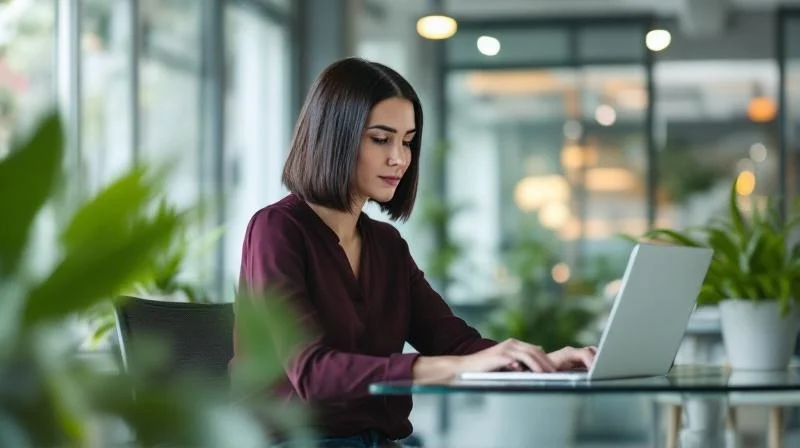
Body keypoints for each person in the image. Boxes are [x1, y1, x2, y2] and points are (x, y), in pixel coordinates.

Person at [235, 57, 596, 448]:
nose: (400, 158)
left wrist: (540, 361)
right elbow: (313, 375)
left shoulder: (387, 246)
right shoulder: (277, 229)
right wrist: (455, 367)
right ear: (335, 137)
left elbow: (453, 342)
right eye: (381, 139)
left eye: (407, 141)